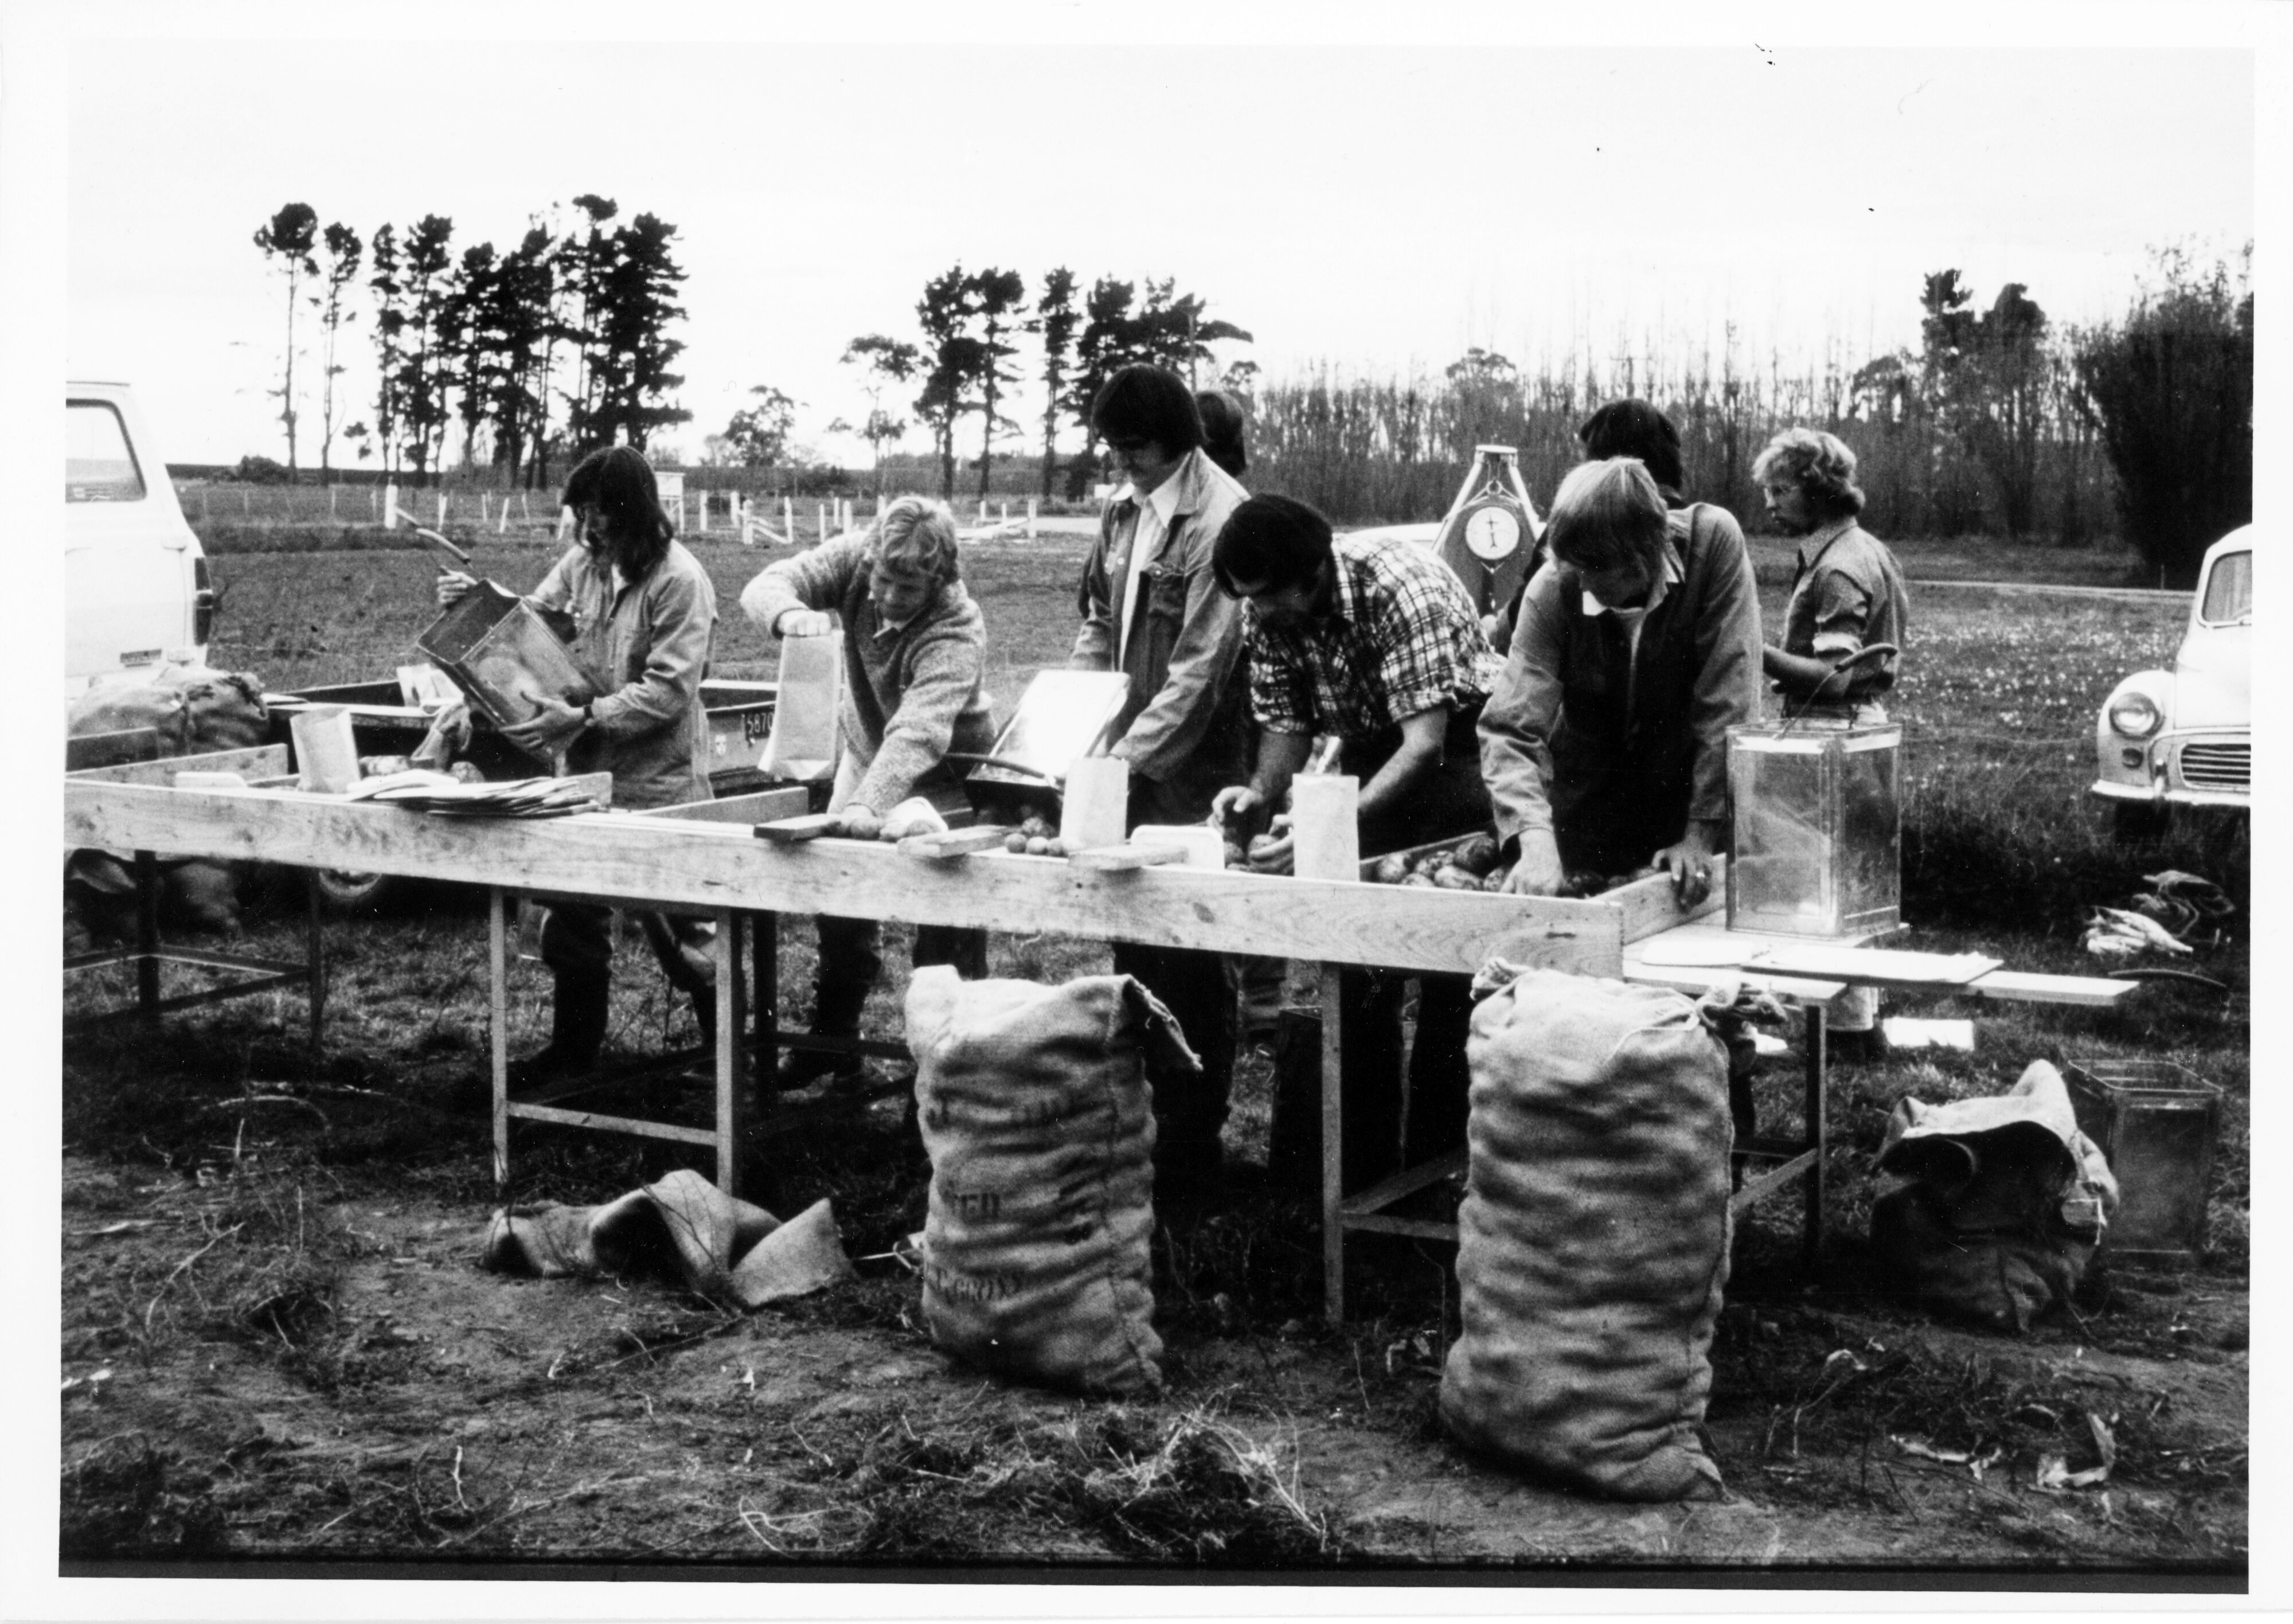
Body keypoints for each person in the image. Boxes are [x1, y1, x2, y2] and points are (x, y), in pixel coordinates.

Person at [1209, 494, 1499, 1190]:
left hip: (1463, 751)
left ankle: (1443, 1175)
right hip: (1376, 751)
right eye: (1245, 598)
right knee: (1357, 962)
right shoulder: (1267, 605)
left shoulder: (1402, 588)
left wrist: (1324, 831)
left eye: (1266, 597)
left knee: (1449, 971)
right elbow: (1287, 725)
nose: (1255, 611)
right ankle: (1363, 1176)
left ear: (1310, 578)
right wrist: (1262, 792)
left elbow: (1426, 745)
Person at [435, 446, 720, 1088]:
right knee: (574, 911)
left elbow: (669, 691)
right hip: (585, 772)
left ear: (634, 512)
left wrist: (585, 718)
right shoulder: (583, 564)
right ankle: (574, 1054)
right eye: (582, 513)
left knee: (686, 925)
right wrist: (472, 604)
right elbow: (530, 622)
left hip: (659, 779)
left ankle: (726, 1054)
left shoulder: (680, 582)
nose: (590, 527)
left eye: (601, 513)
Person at [1071, 365, 1251, 1214]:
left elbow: (1199, 672)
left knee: (1185, 942)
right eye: (1113, 450)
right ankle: (1141, 1125)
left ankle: (1193, 1143)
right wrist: (1069, 723)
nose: (1124, 464)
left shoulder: (1218, 517)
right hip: (1126, 753)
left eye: (1135, 448)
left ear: (1176, 439)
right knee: (1130, 937)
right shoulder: (1120, 510)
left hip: (1195, 760)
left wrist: (1123, 764)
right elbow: (1099, 623)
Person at [740, 495, 996, 1086]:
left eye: (908, 591)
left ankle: (941, 1079)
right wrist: (789, 618)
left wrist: (866, 804)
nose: (888, 597)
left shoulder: (958, 626)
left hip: (947, 774)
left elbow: (919, 732)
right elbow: (769, 583)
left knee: (944, 922)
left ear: (940, 579)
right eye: (882, 582)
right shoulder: (857, 560)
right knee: (840, 899)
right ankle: (835, 1042)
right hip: (865, 751)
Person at [1479, 455, 1761, 905]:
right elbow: (1510, 727)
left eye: (1593, 571)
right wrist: (1534, 839)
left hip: (1686, 804)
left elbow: (1729, 702)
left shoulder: (1712, 547)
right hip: (1586, 808)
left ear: (1639, 559)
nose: (1579, 583)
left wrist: (1699, 836)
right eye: (1571, 566)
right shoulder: (1554, 587)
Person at [1753, 427, 1908, 722]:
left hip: (1831, 726)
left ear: (1818, 491)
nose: (1769, 504)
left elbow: (1834, 677)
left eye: (1780, 491)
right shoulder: (1871, 548)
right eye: (1767, 491)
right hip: (1854, 719)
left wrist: (1754, 646)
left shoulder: (1836, 566)